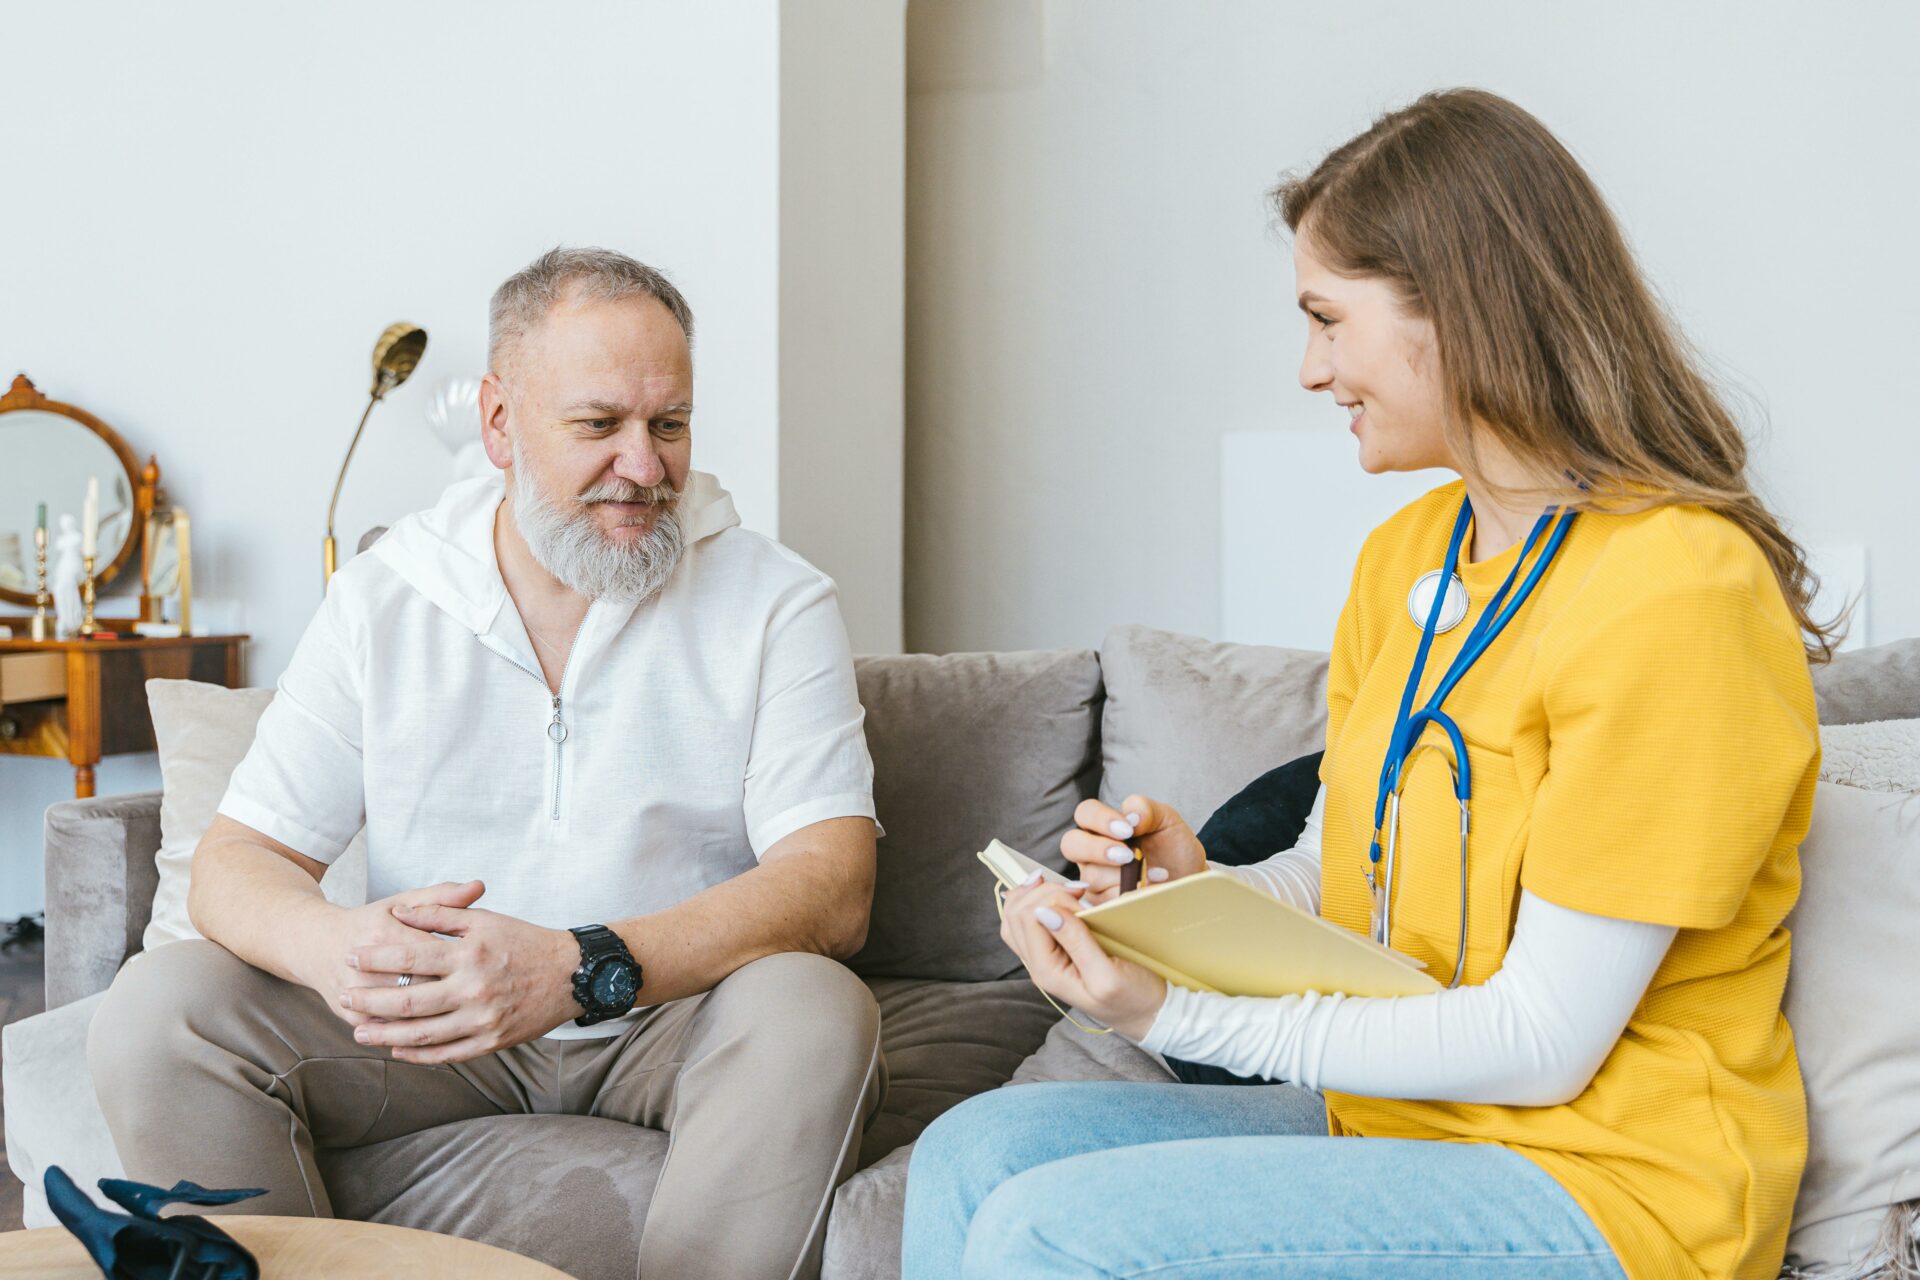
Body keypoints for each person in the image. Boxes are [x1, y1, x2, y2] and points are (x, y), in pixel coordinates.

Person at [902, 89, 1826, 1280]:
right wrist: (1185, 896)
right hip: (1411, 1128)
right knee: (977, 1152)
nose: (1310, 370)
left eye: (1328, 320)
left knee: (1056, 1231)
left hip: (1615, 1186)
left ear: (1461, 310)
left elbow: (1544, 1038)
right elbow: (1345, 874)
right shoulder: (1407, 558)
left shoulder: (1678, 590)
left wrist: (1174, 1014)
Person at [90, 247, 886, 1280]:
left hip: (673, 1013)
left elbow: (832, 884)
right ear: (501, 424)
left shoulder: (777, 600)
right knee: (160, 1008)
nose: (646, 466)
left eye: (670, 424)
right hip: (430, 1024)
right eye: (599, 425)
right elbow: (238, 860)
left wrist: (576, 966)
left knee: (815, 1008)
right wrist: (334, 946)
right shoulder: (384, 596)